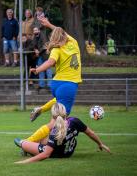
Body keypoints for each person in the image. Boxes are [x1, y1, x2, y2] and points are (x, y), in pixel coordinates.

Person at [24, 16, 82, 144]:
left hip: (57, 84)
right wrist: (38, 70)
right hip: (68, 85)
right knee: (55, 122)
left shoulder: (56, 48)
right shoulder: (73, 42)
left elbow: (51, 61)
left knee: (58, 103)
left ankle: (41, 109)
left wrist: (37, 69)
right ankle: (27, 142)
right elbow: (51, 62)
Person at [14, 103, 111, 164]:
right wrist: (100, 144)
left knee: (19, 141)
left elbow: (46, 154)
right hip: (68, 152)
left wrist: (24, 162)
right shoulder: (75, 121)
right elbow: (90, 133)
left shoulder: (55, 131)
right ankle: (31, 150)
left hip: (56, 154)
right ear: (65, 112)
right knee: (42, 139)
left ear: (53, 115)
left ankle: (28, 150)